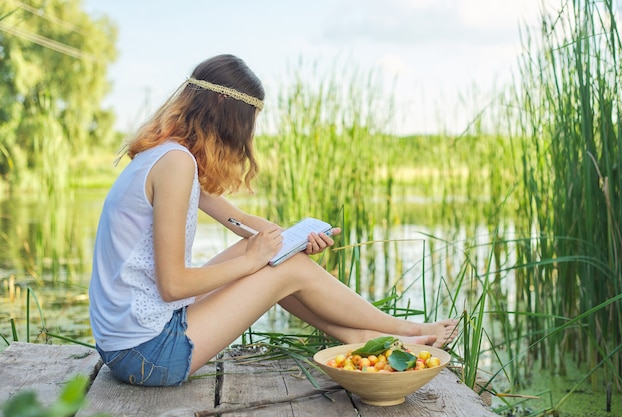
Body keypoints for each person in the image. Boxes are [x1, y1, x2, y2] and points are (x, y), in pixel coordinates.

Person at [88, 54, 458, 387]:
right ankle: (405, 329)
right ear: (224, 106)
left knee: (279, 257)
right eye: (249, 120)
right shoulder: (176, 163)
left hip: (127, 343)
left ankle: (362, 333)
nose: (247, 134)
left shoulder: (165, 156)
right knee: (280, 266)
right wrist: (255, 259)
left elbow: (240, 220)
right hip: (148, 354)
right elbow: (173, 284)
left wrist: (293, 238)